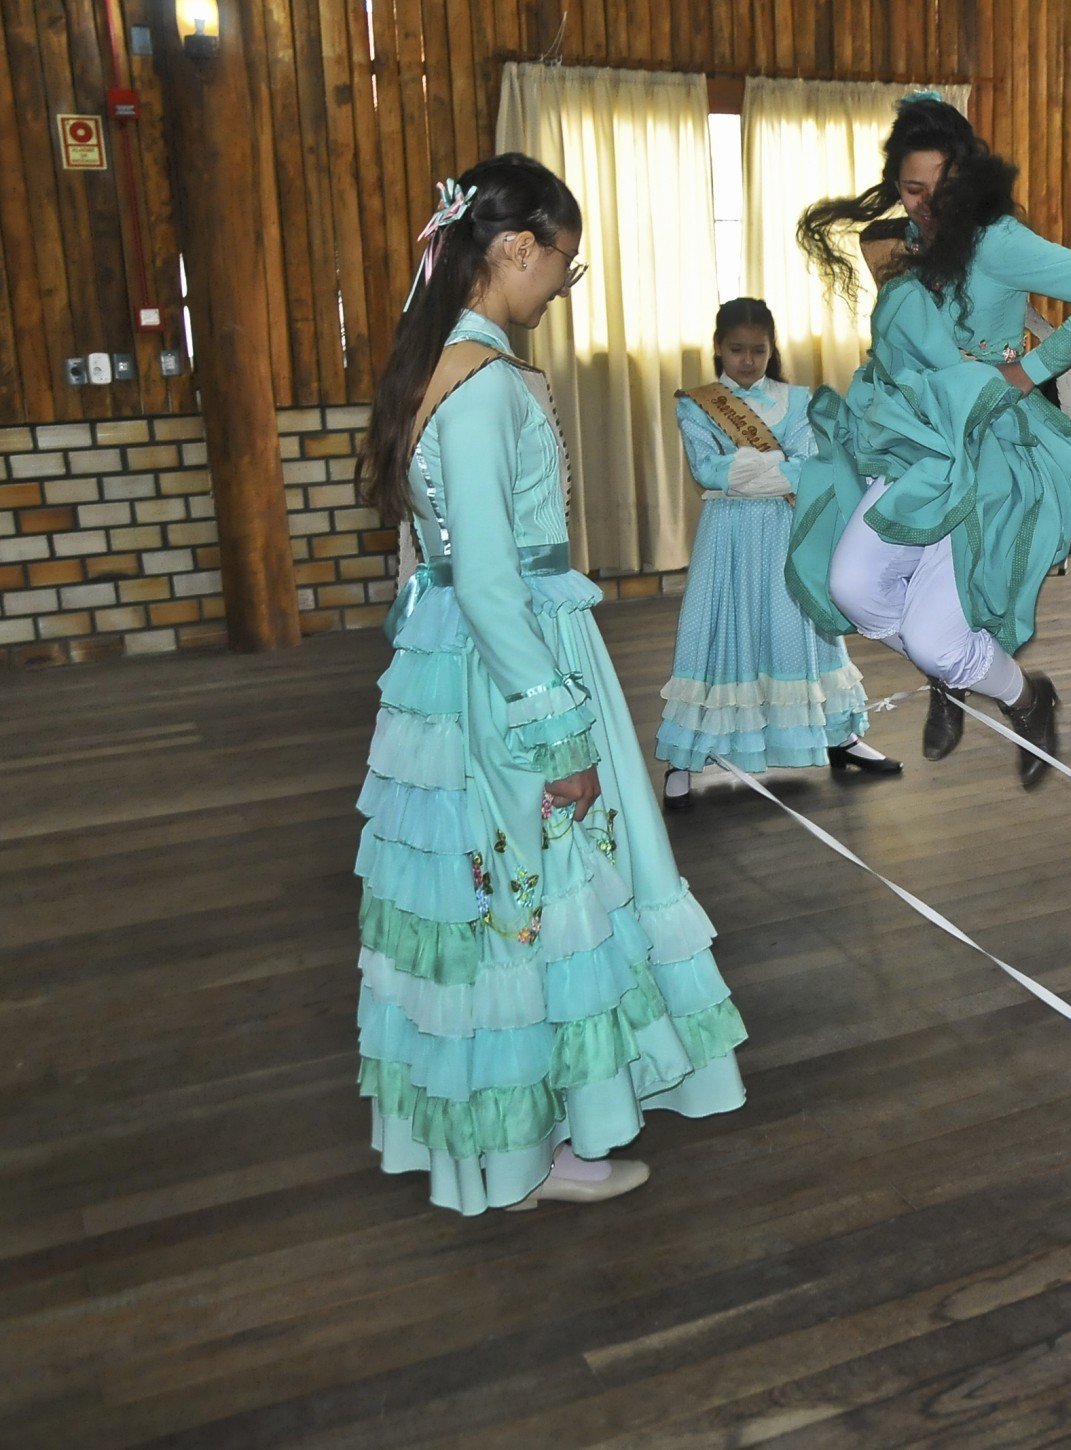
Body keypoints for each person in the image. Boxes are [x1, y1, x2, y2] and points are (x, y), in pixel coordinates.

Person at [353, 156, 746, 1215]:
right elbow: (486, 577)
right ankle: (538, 1152)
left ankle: (520, 1144)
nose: (562, 286)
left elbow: (431, 566)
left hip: (461, 660)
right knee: (544, 893)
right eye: (561, 263)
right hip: (515, 656)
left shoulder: (440, 365)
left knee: (498, 898)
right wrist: (558, 730)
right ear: (514, 248)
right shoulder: (484, 387)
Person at [788, 93, 1071, 788]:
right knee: (851, 586)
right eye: (911, 189)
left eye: (940, 190)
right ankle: (953, 667)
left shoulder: (999, 241)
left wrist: (1029, 369)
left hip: (985, 455)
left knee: (934, 637)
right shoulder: (904, 243)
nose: (924, 204)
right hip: (915, 444)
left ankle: (1026, 698)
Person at [655, 297, 901, 810]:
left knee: (805, 631)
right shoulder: (696, 404)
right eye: (736, 350)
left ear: (772, 350)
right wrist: (777, 466)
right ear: (718, 348)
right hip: (726, 537)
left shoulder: (798, 399)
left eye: (758, 351)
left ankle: (841, 735)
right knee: (715, 631)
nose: (747, 360)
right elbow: (708, 471)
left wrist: (750, 468)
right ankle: (684, 755)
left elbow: (808, 468)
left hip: (789, 530)